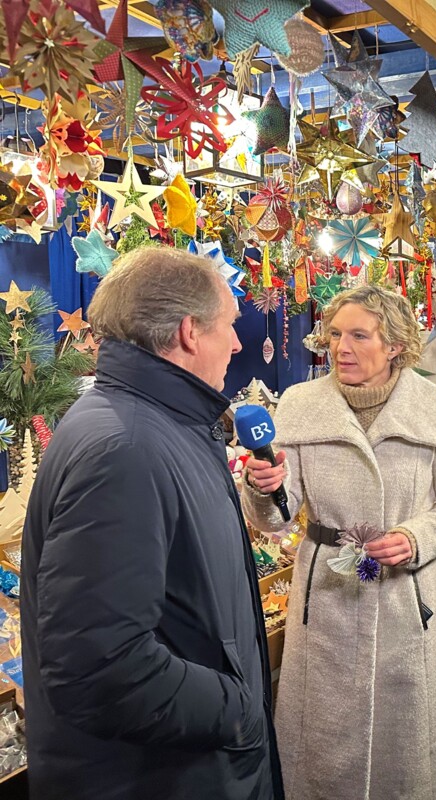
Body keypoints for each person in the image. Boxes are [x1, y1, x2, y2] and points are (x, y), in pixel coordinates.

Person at [21, 247, 283, 800]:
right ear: (190, 332)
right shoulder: (126, 447)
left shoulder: (165, 424)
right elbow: (101, 671)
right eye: (230, 327)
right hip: (160, 776)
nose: (237, 344)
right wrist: (241, 713)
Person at [242, 286, 436, 800]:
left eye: (358, 335)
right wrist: (263, 488)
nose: (341, 347)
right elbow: (277, 520)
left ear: (395, 343)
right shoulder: (302, 404)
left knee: (408, 747)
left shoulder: (433, 405)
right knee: (322, 742)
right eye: (334, 334)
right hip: (326, 600)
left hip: (407, 599)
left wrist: (417, 538)